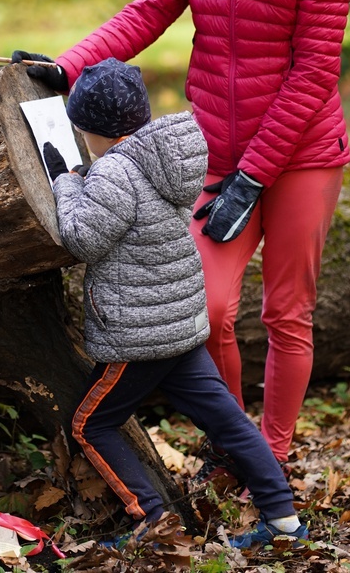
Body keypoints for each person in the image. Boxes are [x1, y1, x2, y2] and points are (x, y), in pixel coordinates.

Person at [13, 0, 350, 472]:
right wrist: (68, 64)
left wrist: (253, 177)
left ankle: (269, 452)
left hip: (301, 156)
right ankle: (233, 439)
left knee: (286, 313)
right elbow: (148, 9)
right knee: (207, 309)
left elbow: (313, 71)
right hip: (214, 156)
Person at [42, 57, 308, 549]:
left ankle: (152, 518)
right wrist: (89, 179)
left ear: (92, 131)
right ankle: (284, 519)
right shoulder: (167, 158)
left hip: (137, 337)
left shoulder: (113, 175)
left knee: (89, 423)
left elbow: (82, 237)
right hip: (181, 325)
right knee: (226, 419)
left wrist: (65, 181)